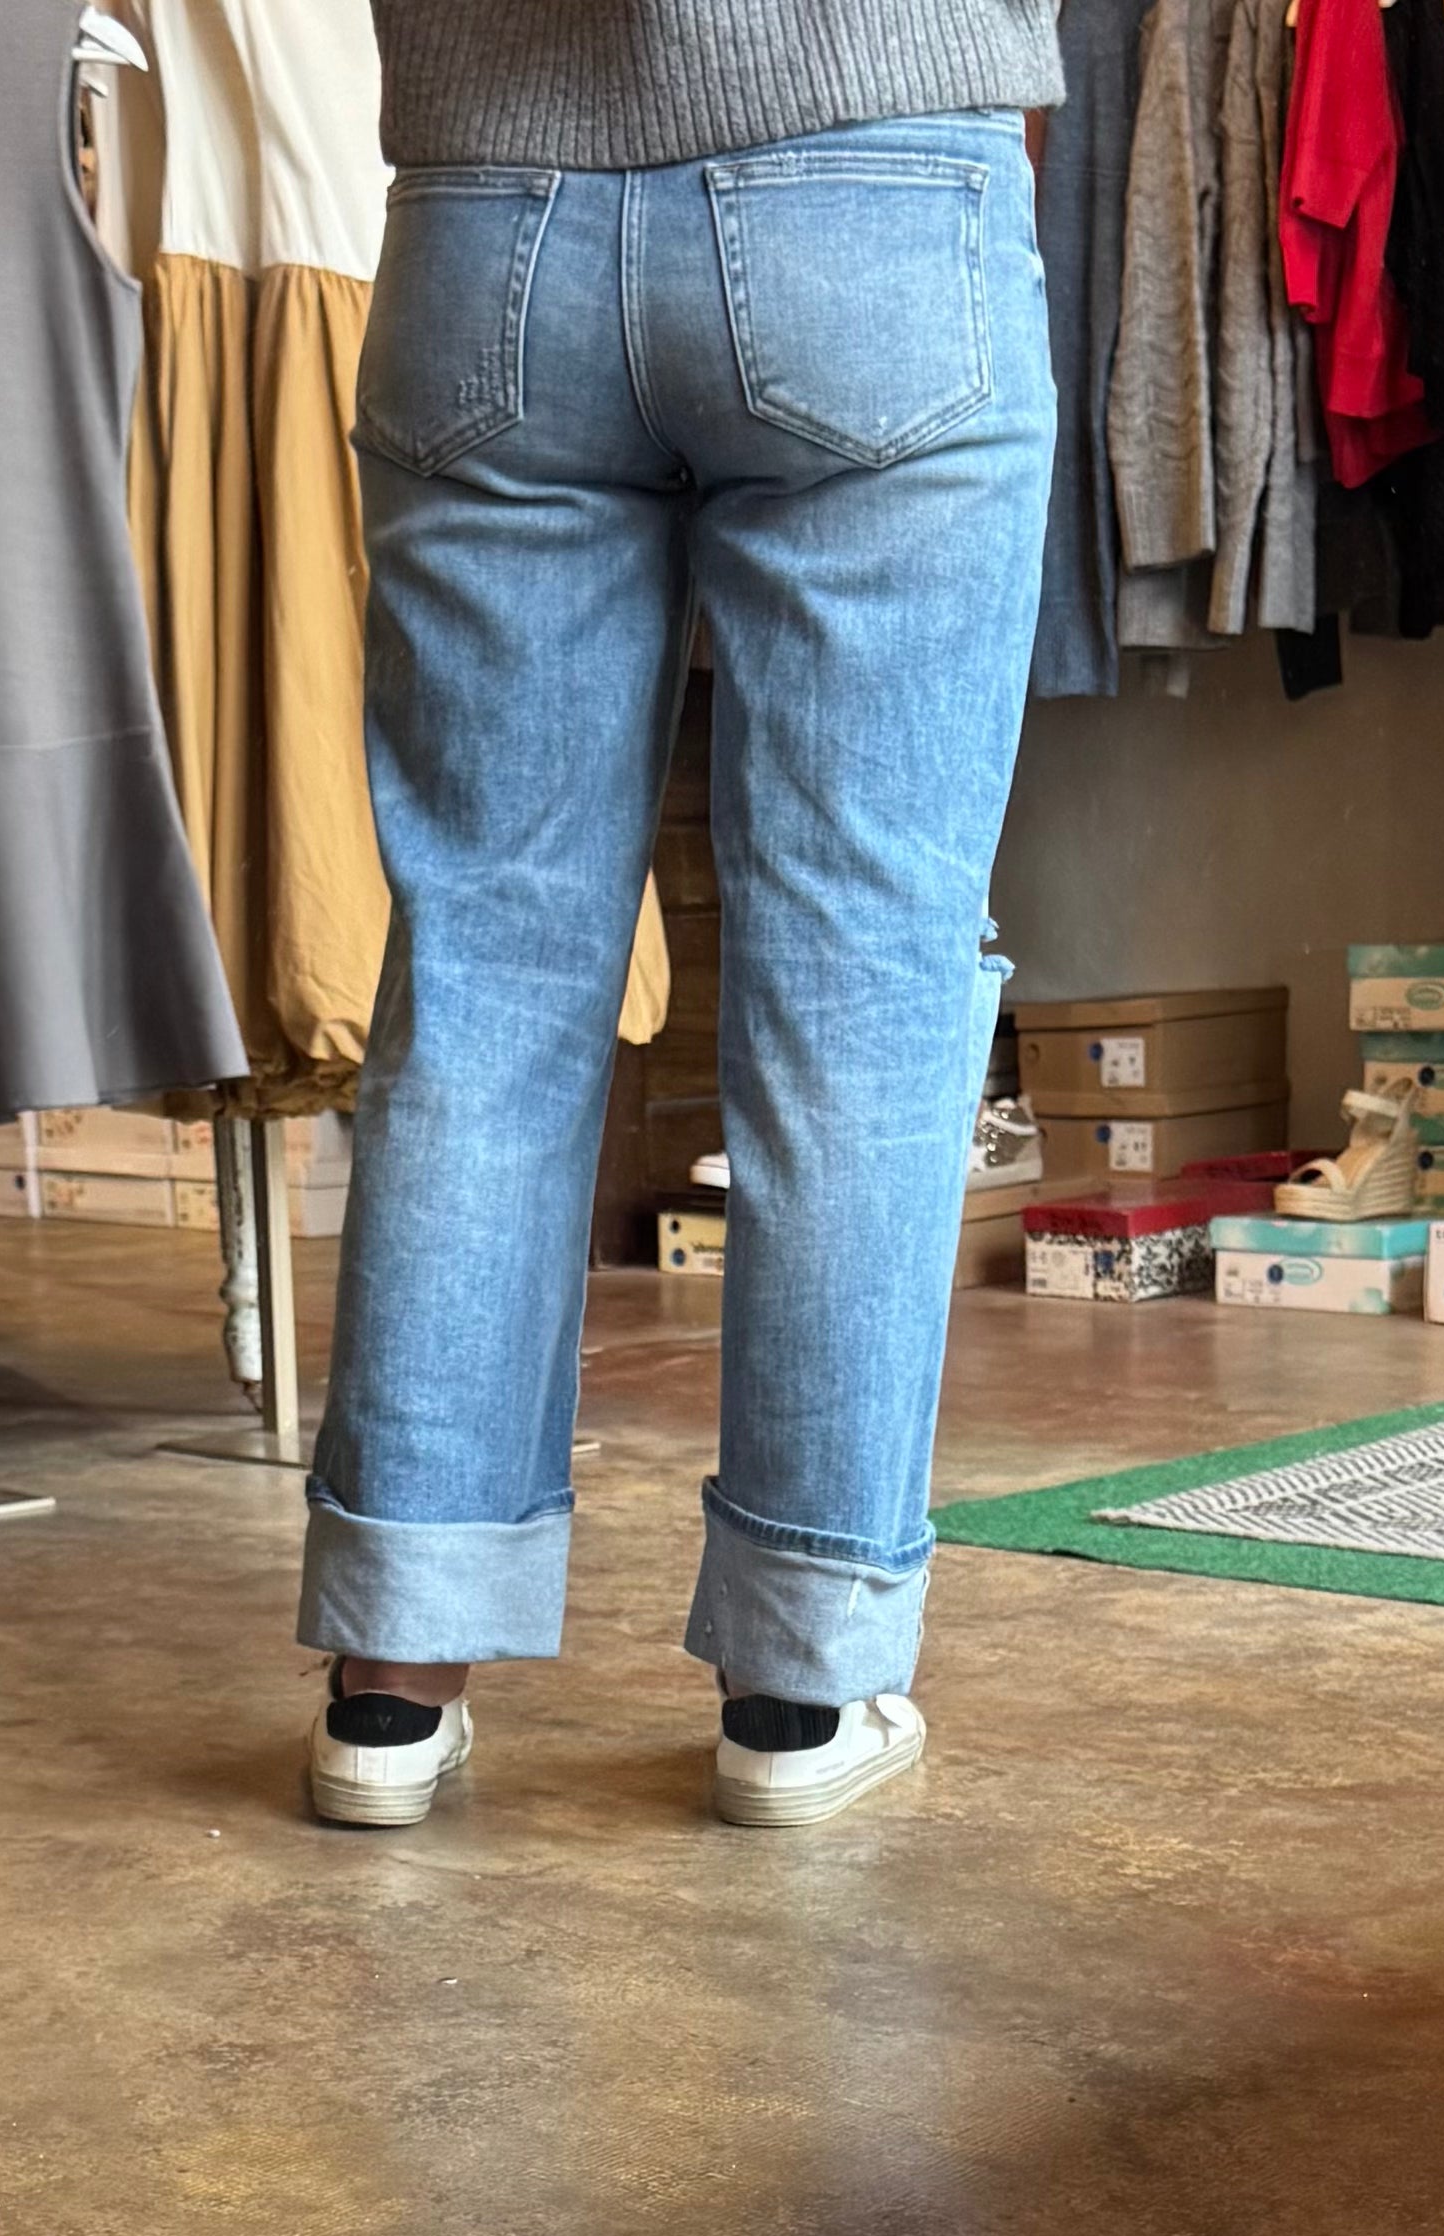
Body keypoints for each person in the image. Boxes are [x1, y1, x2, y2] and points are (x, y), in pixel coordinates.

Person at [301, 2, 1062, 1830]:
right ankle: (799, 1689)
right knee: (862, 965)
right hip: (881, 169)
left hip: (489, 208)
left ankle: (391, 1679)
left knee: (484, 955)